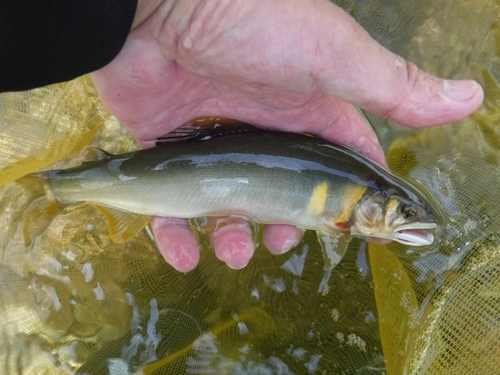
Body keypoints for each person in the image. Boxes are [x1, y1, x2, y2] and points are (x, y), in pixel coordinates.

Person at [1, 0, 484, 272]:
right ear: (373, 205)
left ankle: (52, 187)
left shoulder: (349, 190)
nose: (404, 221)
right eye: (401, 213)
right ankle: (55, 188)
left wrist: (157, 10)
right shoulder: (348, 200)